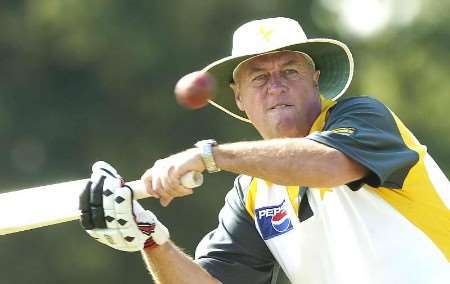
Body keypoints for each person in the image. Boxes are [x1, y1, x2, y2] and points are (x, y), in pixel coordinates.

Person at [79, 17, 450, 284]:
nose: (276, 86)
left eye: (290, 71)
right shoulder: (253, 193)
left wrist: (210, 155)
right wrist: (151, 239)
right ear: (239, 98)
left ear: (315, 80)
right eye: (259, 77)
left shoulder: (364, 117)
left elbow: (328, 164)